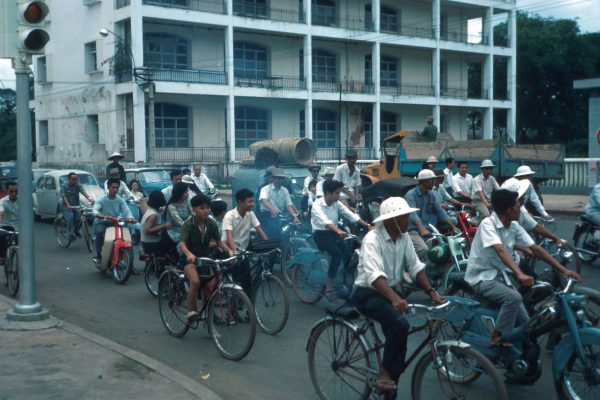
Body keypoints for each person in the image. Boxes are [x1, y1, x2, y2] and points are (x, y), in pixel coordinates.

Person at [464, 189, 578, 347]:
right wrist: (519, 274)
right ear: (510, 210)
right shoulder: (487, 224)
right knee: (514, 297)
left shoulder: (513, 226)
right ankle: (497, 336)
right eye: (518, 206)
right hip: (483, 277)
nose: (521, 209)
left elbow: (536, 248)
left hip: (502, 276)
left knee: (527, 325)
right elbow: (500, 250)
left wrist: (563, 270)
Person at [353, 197, 444, 392]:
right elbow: (375, 276)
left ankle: (390, 383)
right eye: (404, 217)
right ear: (390, 219)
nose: (408, 221)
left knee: (399, 342)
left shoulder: (404, 239)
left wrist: (431, 292)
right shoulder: (372, 239)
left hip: (389, 290)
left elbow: (416, 268)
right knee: (400, 324)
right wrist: (395, 298)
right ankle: (385, 373)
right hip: (368, 293)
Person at [501, 178, 577, 278]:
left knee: (535, 281)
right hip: (499, 267)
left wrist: (556, 239)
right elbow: (501, 247)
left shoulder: (519, 215)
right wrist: (523, 250)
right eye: (521, 197)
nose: (524, 198)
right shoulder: (492, 223)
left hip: (513, 257)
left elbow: (535, 227)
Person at [311, 179, 372, 301]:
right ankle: (328, 288)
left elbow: (350, 214)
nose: (339, 196)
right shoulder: (317, 205)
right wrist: (338, 231)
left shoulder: (336, 203)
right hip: (320, 234)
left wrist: (367, 226)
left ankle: (344, 282)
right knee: (337, 255)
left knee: (349, 254)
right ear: (327, 193)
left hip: (333, 233)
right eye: (337, 193)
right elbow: (326, 222)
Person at [180, 194, 233, 322]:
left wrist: (229, 251)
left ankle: (210, 316)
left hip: (205, 258)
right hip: (188, 259)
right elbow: (181, 243)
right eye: (202, 208)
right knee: (196, 282)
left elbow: (219, 241)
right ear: (194, 209)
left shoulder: (211, 223)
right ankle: (192, 311)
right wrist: (189, 254)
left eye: (208, 208)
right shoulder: (188, 224)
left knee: (210, 287)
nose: (206, 210)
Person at [405, 169, 458, 263]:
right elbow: (413, 215)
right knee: (423, 249)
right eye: (432, 180)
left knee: (443, 248)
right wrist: (421, 228)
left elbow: (440, 211)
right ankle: (419, 272)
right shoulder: (411, 195)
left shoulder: (431, 195)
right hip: (414, 230)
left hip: (429, 229)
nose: (434, 182)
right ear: (424, 181)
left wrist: (453, 227)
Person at [223, 188, 269, 295]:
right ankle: (233, 306)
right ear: (240, 202)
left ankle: (249, 308)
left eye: (253, 201)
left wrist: (269, 245)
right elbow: (229, 236)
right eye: (250, 202)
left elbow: (260, 230)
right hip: (230, 251)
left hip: (243, 252)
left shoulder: (250, 214)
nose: (252, 204)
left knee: (247, 281)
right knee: (236, 282)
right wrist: (234, 252)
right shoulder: (229, 216)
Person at [92, 178, 134, 266]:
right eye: (113, 187)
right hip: (103, 221)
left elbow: (126, 211)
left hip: (116, 222)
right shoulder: (101, 199)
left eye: (117, 188)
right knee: (99, 233)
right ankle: (99, 256)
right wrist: (103, 216)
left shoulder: (120, 199)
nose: (115, 190)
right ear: (108, 187)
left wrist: (130, 218)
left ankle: (130, 263)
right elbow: (95, 211)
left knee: (127, 238)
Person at [259, 167, 300, 238]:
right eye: (278, 178)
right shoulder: (265, 189)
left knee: (288, 230)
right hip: (267, 216)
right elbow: (263, 200)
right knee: (272, 232)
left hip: (279, 216)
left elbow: (289, 205)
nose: (280, 180)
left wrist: (294, 216)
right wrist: (271, 208)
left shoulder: (285, 191)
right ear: (273, 179)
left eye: (281, 178)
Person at [61, 172, 95, 240]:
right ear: (69, 179)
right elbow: (64, 196)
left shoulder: (78, 185)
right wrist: (68, 205)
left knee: (80, 217)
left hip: (76, 205)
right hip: (66, 206)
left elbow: (84, 193)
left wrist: (91, 199)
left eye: (76, 179)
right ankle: (71, 234)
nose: (75, 181)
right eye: (73, 179)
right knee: (70, 217)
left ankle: (76, 231)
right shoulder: (64, 186)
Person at [141, 190, 174, 257]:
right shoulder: (153, 214)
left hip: (146, 241)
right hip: (151, 243)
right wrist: (164, 226)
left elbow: (144, 200)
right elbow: (147, 230)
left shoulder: (151, 210)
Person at [0, 182, 19, 261]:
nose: (14, 193)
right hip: (6, 226)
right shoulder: (2, 201)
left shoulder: (23, 201)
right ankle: (3, 257)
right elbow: (1, 213)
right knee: (2, 239)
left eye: (16, 191)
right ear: (7, 191)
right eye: (11, 191)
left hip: (19, 227)